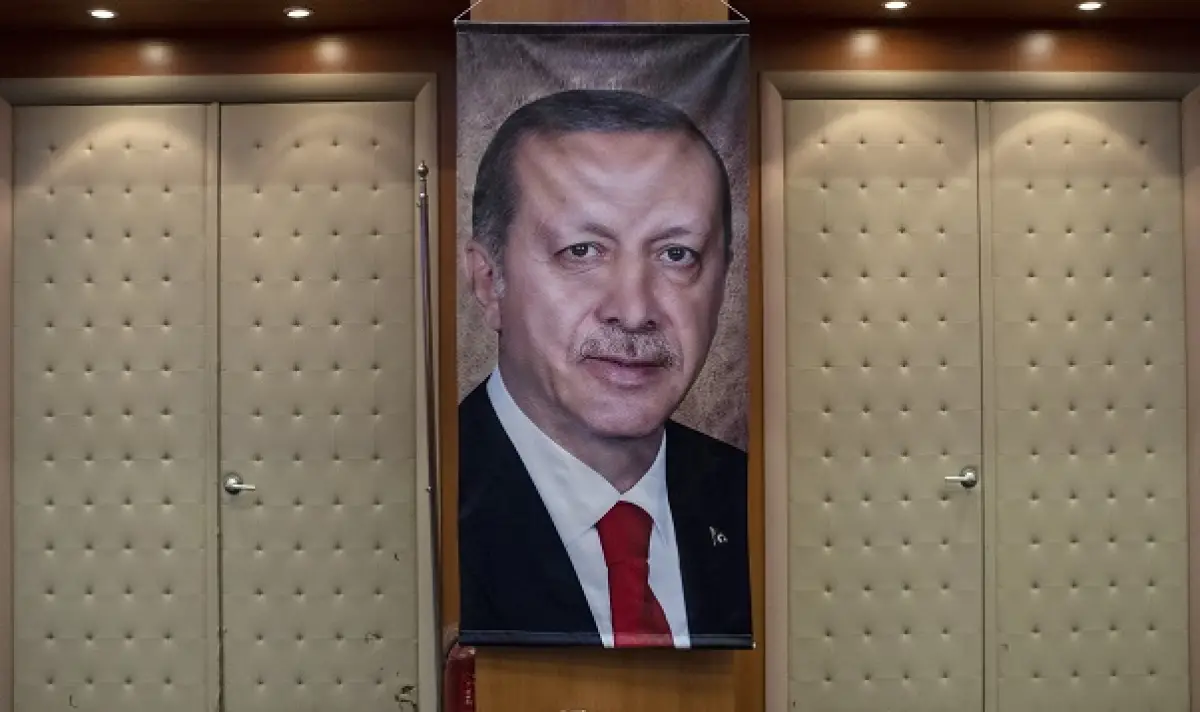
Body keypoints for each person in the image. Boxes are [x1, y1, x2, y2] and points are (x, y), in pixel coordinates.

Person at [457, 88, 750, 649]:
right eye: (582, 251)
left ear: (722, 285)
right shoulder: (415, 508)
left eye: (677, 255)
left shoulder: (761, 504)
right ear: (489, 281)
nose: (634, 311)